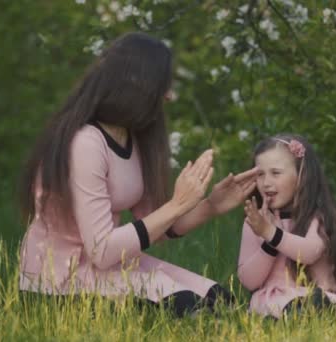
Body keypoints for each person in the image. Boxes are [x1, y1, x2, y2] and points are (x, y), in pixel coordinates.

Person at [18, 32, 257, 317]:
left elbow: (154, 226)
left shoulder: (132, 138)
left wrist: (211, 205)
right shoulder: (85, 144)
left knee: (220, 301)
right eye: (162, 86)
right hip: (61, 282)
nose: (168, 96)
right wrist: (178, 203)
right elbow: (102, 251)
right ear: (136, 86)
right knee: (189, 308)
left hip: (110, 264)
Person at [237, 134, 336, 319]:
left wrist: (271, 233)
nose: (266, 182)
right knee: (293, 307)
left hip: (318, 294)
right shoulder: (255, 223)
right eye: (260, 174)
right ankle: (308, 313)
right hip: (277, 299)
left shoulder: (316, 216)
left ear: (301, 175)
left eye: (276, 173)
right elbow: (249, 281)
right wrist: (267, 242)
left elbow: (310, 252)